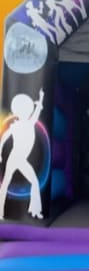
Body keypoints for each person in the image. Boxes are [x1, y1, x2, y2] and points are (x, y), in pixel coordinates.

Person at [0, 89, 45, 219]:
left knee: (34, 182)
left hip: (21, 159)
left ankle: (35, 211)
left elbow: (37, 111)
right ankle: (0, 212)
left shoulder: (30, 122)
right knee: (5, 183)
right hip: (14, 157)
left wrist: (41, 98)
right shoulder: (15, 126)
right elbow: (4, 138)